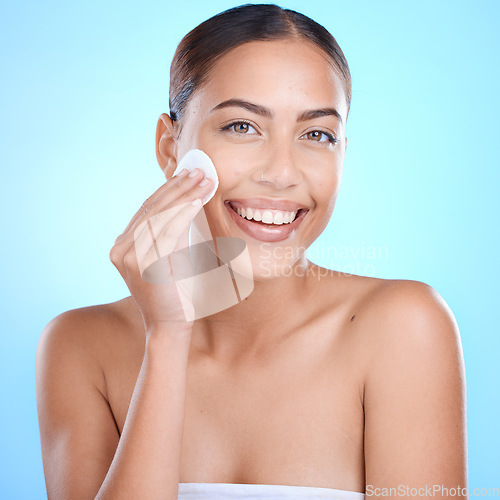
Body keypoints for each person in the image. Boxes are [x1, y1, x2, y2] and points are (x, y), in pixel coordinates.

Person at [35, 4, 467, 499]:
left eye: (317, 134)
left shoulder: (402, 328)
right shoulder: (82, 346)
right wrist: (168, 337)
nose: (282, 172)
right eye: (242, 126)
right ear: (170, 147)